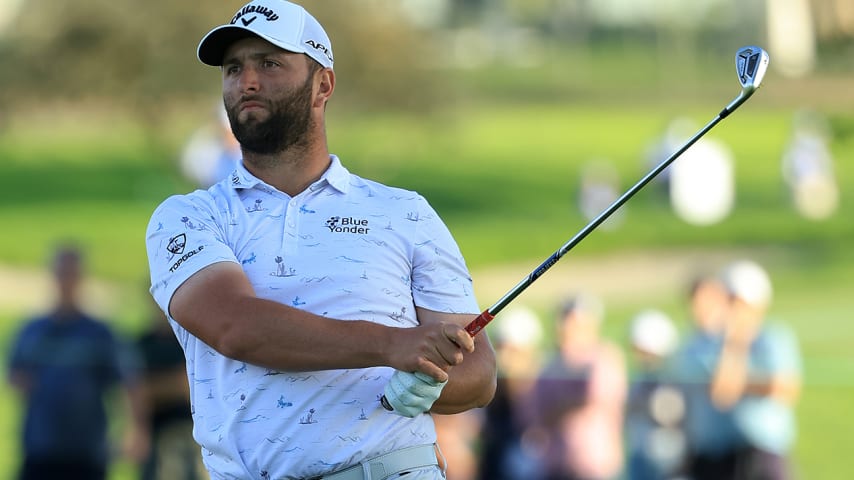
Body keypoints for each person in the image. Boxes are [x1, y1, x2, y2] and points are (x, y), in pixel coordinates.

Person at [144, 1, 497, 478]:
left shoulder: (405, 212)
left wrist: (430, 383)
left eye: (269, 64)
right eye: (234, 68)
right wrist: (393, 346)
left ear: (323, 84)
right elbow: (236, 326)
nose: (247, 81)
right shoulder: (188, 218)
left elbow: (478, 374)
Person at [7, 244, 148, 480]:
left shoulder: (100, 334)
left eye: (72, 273)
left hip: (87, 451)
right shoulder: (31, 332)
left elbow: (130, 382)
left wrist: (136, 429)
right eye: (61, 273)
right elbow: (15, 375)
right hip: (41, 447)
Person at [710, 260, 803, 480]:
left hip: (768, 448)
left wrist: (741, 383)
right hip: (730, 452)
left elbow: (784, 388)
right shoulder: (721, 342)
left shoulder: (774, 338)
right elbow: (721, 394)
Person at [529, 294, 627, 480]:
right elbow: (538, 411)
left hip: (595, 463)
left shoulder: (605, 356)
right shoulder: (550, 363)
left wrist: (560, 403)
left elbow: (591, 397)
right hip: (556, 462)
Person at [134, 293, 205, 480]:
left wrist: (155, 387)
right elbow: (136, 392)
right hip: (155, 436)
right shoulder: (143, 343)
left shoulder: (190, 340)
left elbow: (188, 387)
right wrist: (174, 384)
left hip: (191, 437)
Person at [476, 305, 546, 480]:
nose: (504, 358)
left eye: (513, 351)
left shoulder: (542, 388)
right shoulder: (489, 390)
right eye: (500, 349)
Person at [624, 309, 687, 480]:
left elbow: (668, 414)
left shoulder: (672, 378)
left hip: (667, 458)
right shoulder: (641, 378)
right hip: (641, 454)